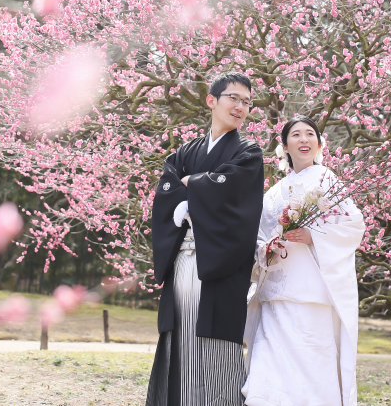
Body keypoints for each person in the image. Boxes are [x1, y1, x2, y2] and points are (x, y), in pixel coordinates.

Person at [145, 71, 265, 406]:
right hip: (182, 260)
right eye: (233, 98)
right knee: (180, 337)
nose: (240, 106)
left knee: (219, 345)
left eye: (246, 101)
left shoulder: (249, 152)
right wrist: (198, 186)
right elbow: (168, 185)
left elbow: (235, 193)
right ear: (211, 101)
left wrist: (192, 187)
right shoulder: (186, 151)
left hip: (220, 265)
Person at [242, 116, 366, 406]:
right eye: (295, 135)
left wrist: (313, 236)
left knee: (312, 370)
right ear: (284, 146)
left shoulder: (329, 181)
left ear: (320, 143)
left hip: (313, 295)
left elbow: (353, 227)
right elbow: (258, 238)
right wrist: (267, 249)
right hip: (276, 296)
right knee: (267, 372)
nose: (304, 139)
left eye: (310, 134)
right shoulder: (273, 193)